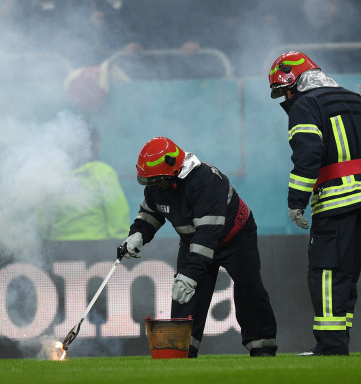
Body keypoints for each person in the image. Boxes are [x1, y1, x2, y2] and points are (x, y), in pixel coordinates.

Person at [267, 51, 361, 356]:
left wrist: (296, 202)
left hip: (335, 201)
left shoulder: (304, 104)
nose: (284, 99)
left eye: (284, 90)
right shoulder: (355, 100)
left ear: (295, 83)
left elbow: (308, 154)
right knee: (346, 274)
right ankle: (338, 344)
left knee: (325, 273)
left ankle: (329, 346)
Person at [119, 136, 278, 357]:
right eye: (150, 182)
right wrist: (138, 234)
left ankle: (263, 349)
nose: (154, 186)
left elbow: (207, 236)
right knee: (184, 298)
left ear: (175, 172)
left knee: (249, 288)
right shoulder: (158, 181)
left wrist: (189, 274)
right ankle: (181, 354)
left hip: (235, 237)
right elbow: (151, 212)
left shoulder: (206, 181)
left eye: (157, 181)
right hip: (194, 240)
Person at [44, 128, 130, 241]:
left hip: (59, 252)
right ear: (96, 144)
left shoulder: (54, 177)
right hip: (96, 251)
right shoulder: (102, 172)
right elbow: (119, 216)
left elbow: (43, 221)